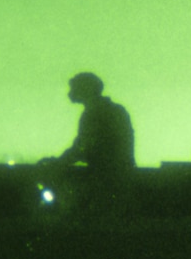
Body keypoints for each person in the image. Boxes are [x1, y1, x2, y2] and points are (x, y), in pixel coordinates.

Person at [40, 72, 135, 213]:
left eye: (74, 88)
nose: (70, 92)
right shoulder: (111, 110)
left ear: (86, 89)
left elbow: (83, 147)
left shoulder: (95, 112)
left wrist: (59, 163)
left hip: (106, 177)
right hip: (119, 173)